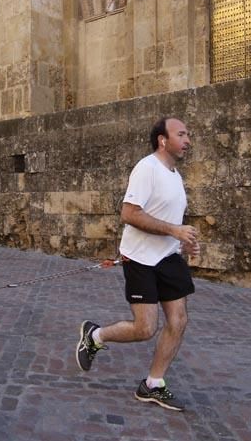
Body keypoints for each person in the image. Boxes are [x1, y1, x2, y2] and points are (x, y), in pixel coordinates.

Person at [76, 116, 199, 411]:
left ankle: (153, 384)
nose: (187, 140)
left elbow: (170, 217)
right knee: (145, 329)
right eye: (181, 134)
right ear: (162, 139)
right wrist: (173, 230)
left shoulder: (174, 175)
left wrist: (187, 238)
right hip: (140, 259)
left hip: (168, 257)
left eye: (187, 135)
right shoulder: (147, 168)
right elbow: (129, 214)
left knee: (178, 320)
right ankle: (95, 336)